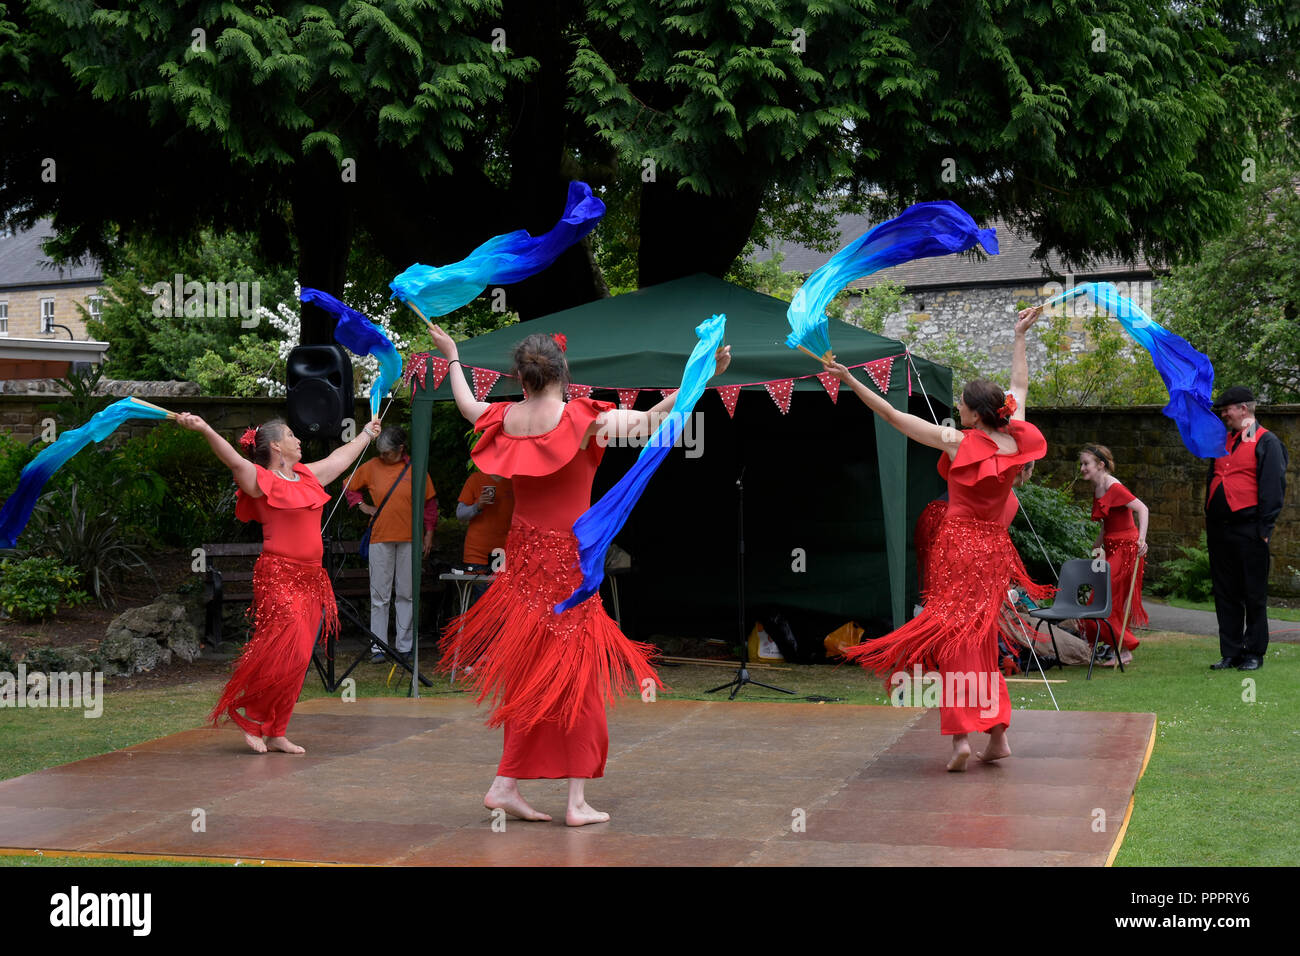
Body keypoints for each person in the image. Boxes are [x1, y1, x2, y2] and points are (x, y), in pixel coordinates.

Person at [430, 326, 730, 825]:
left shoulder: (505, 417)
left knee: (531, 676)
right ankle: (575, 802)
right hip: (568, 569)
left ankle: (506, 784)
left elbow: (465, 405)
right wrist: (699, 377)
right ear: (563, 372)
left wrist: (454, 356)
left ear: (520, 378)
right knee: (579, 680)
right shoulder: (583, 417)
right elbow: (654, 419)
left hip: (523, 567)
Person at [827, 307, 1051, 772]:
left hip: (958, 550)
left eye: (962, 405)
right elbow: (1022, 386)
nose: (958, 409)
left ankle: (960, 740)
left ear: (973, 411)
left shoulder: (957, 441)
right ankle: (995, 733)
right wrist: (1018, 337)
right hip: (992, 553)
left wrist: (850, 379)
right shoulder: (1014, 441)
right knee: (980, 639)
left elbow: (890, 415)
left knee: (953, 642)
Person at [177, 413, 382, 753]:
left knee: (301, 657)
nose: (297, 439)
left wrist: (365, 435)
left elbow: (339, 458)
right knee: (279, 653)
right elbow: (230, 456)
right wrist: (203, 428)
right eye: (290, 434)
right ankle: (254, 722)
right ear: (275, 445)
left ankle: (277, 729)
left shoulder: (305, 475)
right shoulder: (257, 478)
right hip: (279, 577)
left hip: (313, 579)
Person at [1205, 386, 1289, 671]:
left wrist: (1264, 530)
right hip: (1220, 531)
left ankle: (1253, 652)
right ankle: (1231, 652)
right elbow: (1215, 478)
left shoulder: (1268, 442)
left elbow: (1273, 489)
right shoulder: (1223, 441)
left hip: (1250, 529)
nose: (1223, 414)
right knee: (1225, 592)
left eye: (1227, 409)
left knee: (1253, 594)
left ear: (1243, 408)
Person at [344, 426, 437, 662]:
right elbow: (348, 483)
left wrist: (429, 534)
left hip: (410, 539)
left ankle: (404, 647)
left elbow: (429, 504)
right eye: (380, 452)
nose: (383, 457)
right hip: (380, 537)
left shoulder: (416, 469)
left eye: (387, 453)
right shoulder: (372, 466)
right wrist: (362, 506)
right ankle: (378, 647)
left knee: (406, 594)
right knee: (379, 595)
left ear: (401, 449)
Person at [1077, 443, 1149, 665]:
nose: (1082, 468)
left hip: (1126, 548)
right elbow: (1107, 523)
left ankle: (1125, 648)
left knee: (1106, 598)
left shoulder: (1113, 486)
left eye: (1086, 464)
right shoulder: (1098, 488)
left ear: (1100, 465)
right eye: (1081, 464)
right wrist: (1097, 546)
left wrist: (1142, 540)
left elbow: (1142, 509)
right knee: (1107, 598)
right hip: (1111, 548)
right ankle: (1109, 644)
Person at [456, 469, 515, 605]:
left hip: (501, 551)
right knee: (481, 600)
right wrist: (478, 506)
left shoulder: (513, 481)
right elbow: (460, 514)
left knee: (498, 599)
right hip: (476, 552)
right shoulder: (475, 479)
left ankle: (495, 627)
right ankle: (480, 627)